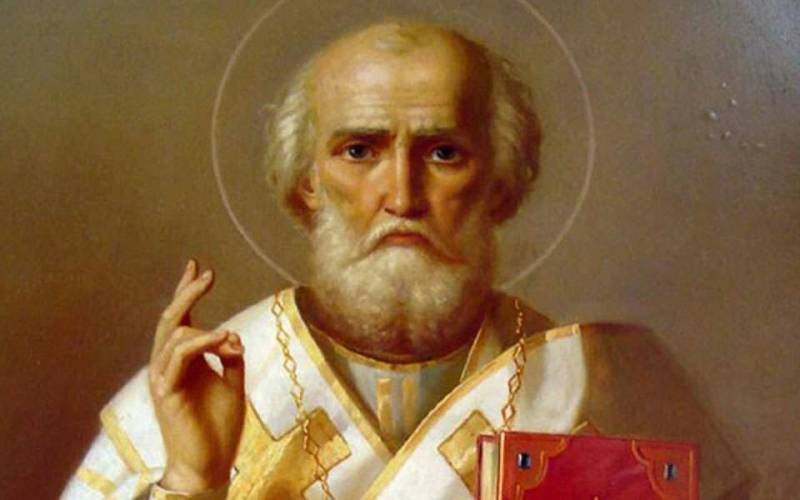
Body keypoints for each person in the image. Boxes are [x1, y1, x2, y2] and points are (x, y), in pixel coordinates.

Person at [63, 23, 746, 499]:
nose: (402, 195)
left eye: (443, 152)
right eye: (360, 151)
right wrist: (192, 482)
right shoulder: (187, 397)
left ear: (498, 182)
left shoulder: (602, 387)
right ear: (308, 183)